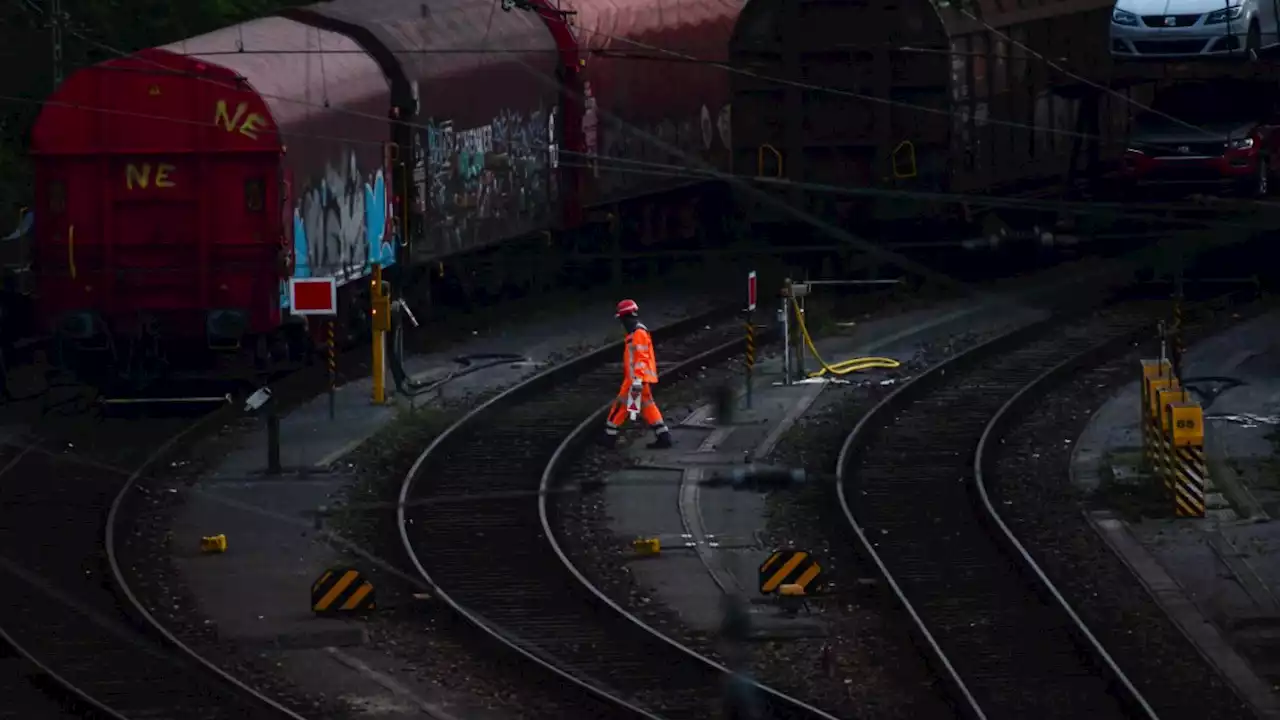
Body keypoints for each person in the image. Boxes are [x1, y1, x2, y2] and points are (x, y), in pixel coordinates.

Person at [603, 299, 672, 448]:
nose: (621, 323)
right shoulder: (637, 331)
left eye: (621, 318)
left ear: (625, 317)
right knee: (647, 405)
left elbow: (641, 358)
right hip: (639, 378)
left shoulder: (638, 333)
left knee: (621, 404)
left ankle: (609, 437)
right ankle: (663, 435)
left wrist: (637, 380)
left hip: (636, 379)